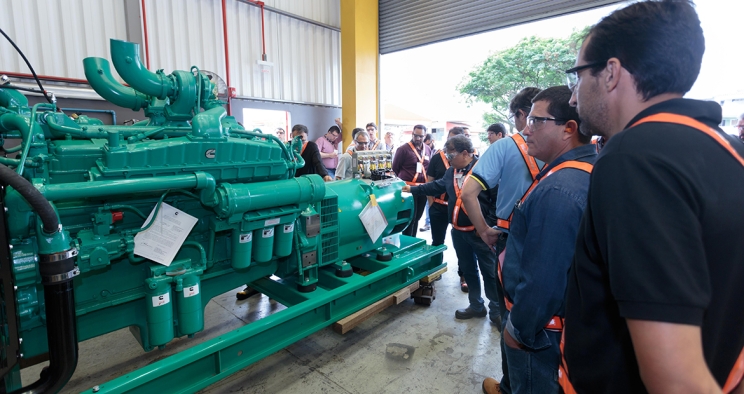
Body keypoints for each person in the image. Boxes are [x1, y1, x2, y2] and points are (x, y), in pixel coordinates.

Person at [561, 1, 744, 393]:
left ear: (610, 72)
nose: (573, 97)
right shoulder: (730, 153)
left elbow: (676, 381)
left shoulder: (634, 158)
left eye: (577, 75)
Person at [497, 86, 596, 394]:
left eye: (536, 121)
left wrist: (520, 329)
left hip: (541, 332)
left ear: (568, 129)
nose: (526, 129)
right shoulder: (578, 170)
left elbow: (544, 278)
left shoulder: (560, 190)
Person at [460, 87, 542, 394]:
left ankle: (511, 387)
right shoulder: (574, 148)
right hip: (560, 239)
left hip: (513, 242)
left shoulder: (506, 147)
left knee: (514, 316)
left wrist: (484, 230)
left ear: (522, 114)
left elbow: (469, 191)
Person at [403, 135, 499, 321]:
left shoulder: (484, 170)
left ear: (465, 153)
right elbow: (437, 186)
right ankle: (476, 305)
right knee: (468, 270)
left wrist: (487, 226)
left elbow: (497, 200)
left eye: (451, 154)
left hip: (479, 233)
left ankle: (496, 311)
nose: (447, 158)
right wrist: (412, 189)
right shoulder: (452, 172)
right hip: (458, 232)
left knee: (489, 273)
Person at [425, 127, 469, 291]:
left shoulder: (469, 162)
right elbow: (430, 182)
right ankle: (436, 269)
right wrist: (431, 205)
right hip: (439, 206)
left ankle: (463, 275)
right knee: (437, 241)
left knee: (463, 245)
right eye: (452, 139)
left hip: (459, 209)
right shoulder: (437, 158)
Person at [393, 125, 431, 237]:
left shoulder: (427, 149)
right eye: (416, 135)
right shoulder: (403, 149)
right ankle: (407, 243)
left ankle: (413, 240)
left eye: (421, 136)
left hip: (422, 189)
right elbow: (395, 169)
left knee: (418, 217)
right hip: (408, 189)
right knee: (409, 218)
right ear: (412, 134)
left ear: (425, 136)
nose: (418, 138)